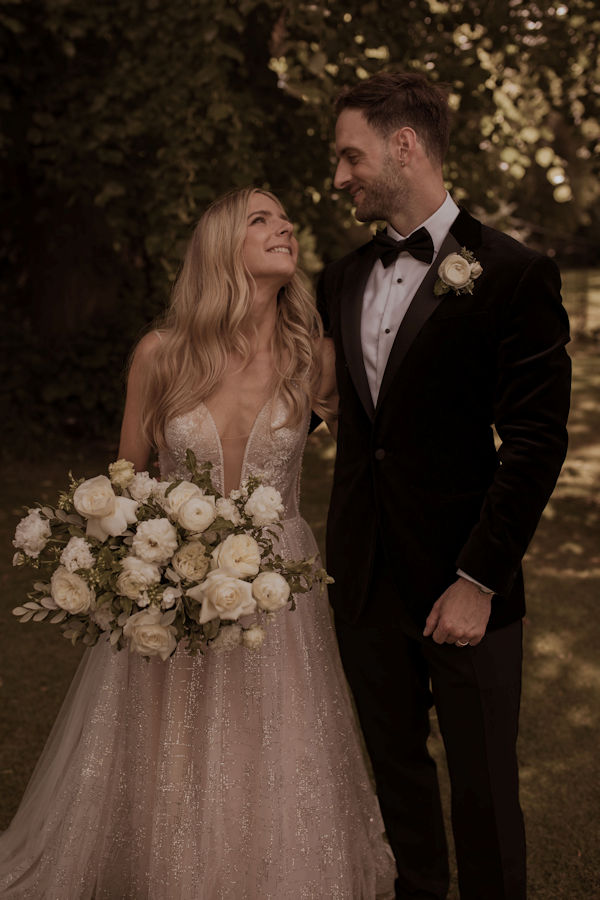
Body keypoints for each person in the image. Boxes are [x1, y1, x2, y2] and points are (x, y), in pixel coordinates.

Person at [0, 188, 396, 899]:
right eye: (261, 220)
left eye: (285, 218)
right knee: (172, 729)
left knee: (273, 727)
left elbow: (383, 456)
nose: (284, 227)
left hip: (277, 581)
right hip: (172, 579)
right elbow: (124, 483)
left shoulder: (315, 359)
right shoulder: (161, 354)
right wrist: (133, 567)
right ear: (220, 246)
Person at [317, 72, 571, 900]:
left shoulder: (514, 274)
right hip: (364, 582)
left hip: (466, 582)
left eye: (350, 156)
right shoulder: (338, 278)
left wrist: (478, 580)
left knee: (485, 794)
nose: (339, 177)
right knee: (398, 787)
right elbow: (326, 414)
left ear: (404, 145)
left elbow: (535, 442)